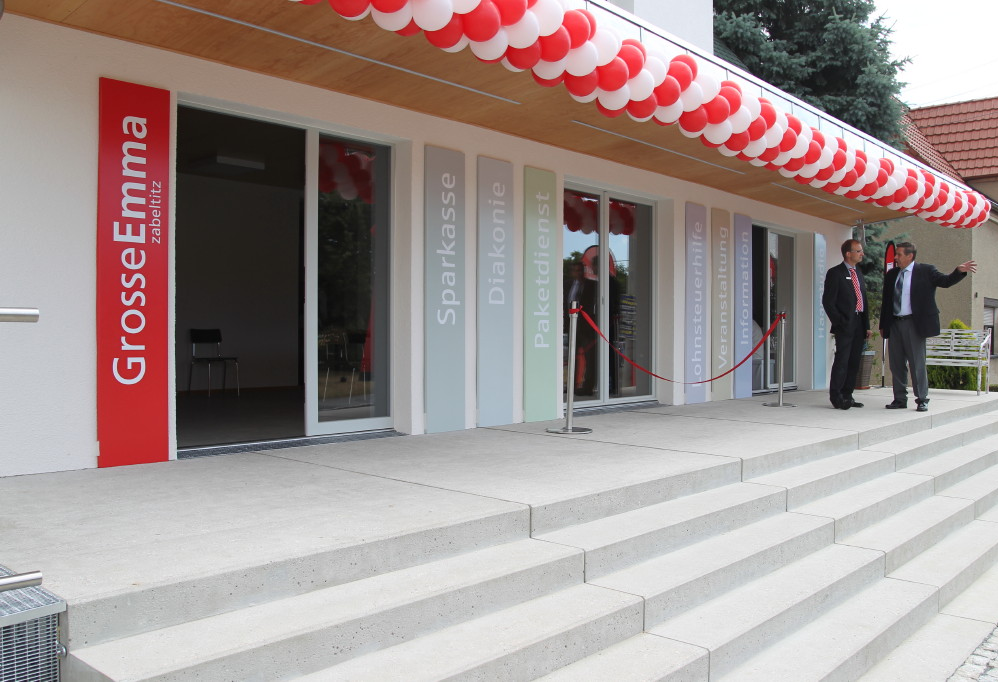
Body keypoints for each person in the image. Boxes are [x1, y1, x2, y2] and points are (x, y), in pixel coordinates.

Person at [880, 241, 977, 412]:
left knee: (916, 363)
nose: (895, 257)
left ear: (910, 256)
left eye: (899, 254)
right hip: (894, 324)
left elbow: (945, 281)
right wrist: (883, 324)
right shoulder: (892, 274)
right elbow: (886, 301)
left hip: (914, 324)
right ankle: (899, 399)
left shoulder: (926, 271)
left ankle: (922, 399)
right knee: (896, 364)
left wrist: (958, 271)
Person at [822, 239, 871, 410]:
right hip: (845, 324)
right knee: (842, 361)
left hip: (859, 324)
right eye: (858, 251)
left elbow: (863, 300)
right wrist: (840, 322)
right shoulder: (835, 273)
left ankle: (848, 395)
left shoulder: (858, 273)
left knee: (854, 362)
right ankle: (837, 397)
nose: (862, 254)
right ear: (848, 254)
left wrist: (866, 325)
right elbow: (828, 302)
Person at [565, 260, 598, 395]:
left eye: (579, 270)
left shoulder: (592, 285)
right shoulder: (567, 284)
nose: (577, 273)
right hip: (571, 326)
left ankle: (588, 387)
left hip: (587, 327)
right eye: (575, 270)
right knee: (572, 357)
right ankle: (572, 385)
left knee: (590, 358)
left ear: (583, 271)